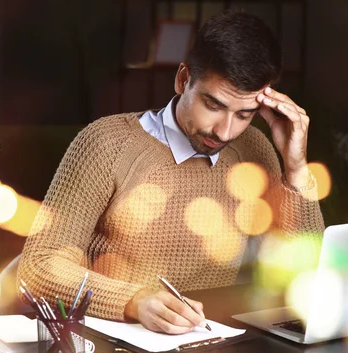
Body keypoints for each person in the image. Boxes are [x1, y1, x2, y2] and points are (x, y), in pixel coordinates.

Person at [17, 10, 325, 334]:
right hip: (109, 349)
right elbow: (39, 266)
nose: (224, 131)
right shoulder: (105, 144)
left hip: (213, 343)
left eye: (245, 115)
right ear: (183, 79)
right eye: (214, 106)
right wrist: (134, 301)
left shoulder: (254, 150)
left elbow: (305, 270)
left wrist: (296, 168)